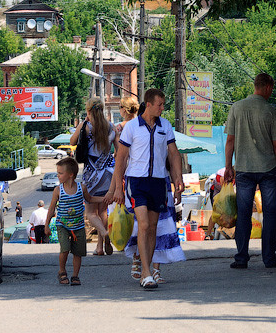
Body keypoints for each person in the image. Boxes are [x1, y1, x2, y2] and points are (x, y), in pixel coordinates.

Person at [110, 89, 184, 290]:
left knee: (152, 227)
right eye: (159, 104)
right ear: (148, 104)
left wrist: (178, 179)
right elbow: (121, 158)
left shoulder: (165, 126)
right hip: (137, 181)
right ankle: (146, 272)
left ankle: (147, 268)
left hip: (159, 182)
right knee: (143, 225)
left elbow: (174, 154)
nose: (162, 108)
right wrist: (118, 186)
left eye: (163, 104)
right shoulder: (132, 127)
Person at [223, 73, 276, 270]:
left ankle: (241, 257)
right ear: (267, 87)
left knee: (243, 214)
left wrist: (228, 167)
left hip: (243, 168)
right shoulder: (270, 111)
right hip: (268, 169)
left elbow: (230, 141)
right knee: (269, 213)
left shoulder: (237, 107)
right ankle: (269, 258)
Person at [46, 157, 94, 285]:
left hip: (78, 226)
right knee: (65, 249)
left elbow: (91, 199)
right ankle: (62, 271)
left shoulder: (81, 188)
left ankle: (75, 276)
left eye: (61, 173)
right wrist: (47, 226)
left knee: (78, 253)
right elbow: (51, 209)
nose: (58, 175)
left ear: (71, 174)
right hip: (62, 225)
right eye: (58, 172)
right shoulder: (58, 190)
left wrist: (106, 198)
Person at [79, 97, 117, 256]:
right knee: (103, 212)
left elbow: (73, 141)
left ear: (88, 111)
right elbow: (120, 149)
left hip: (91, 174)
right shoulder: (111, 127)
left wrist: (83, 124)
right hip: (108, 173)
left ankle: (104, 233)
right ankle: (99, 247)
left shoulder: (86, 126)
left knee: (91, 213)